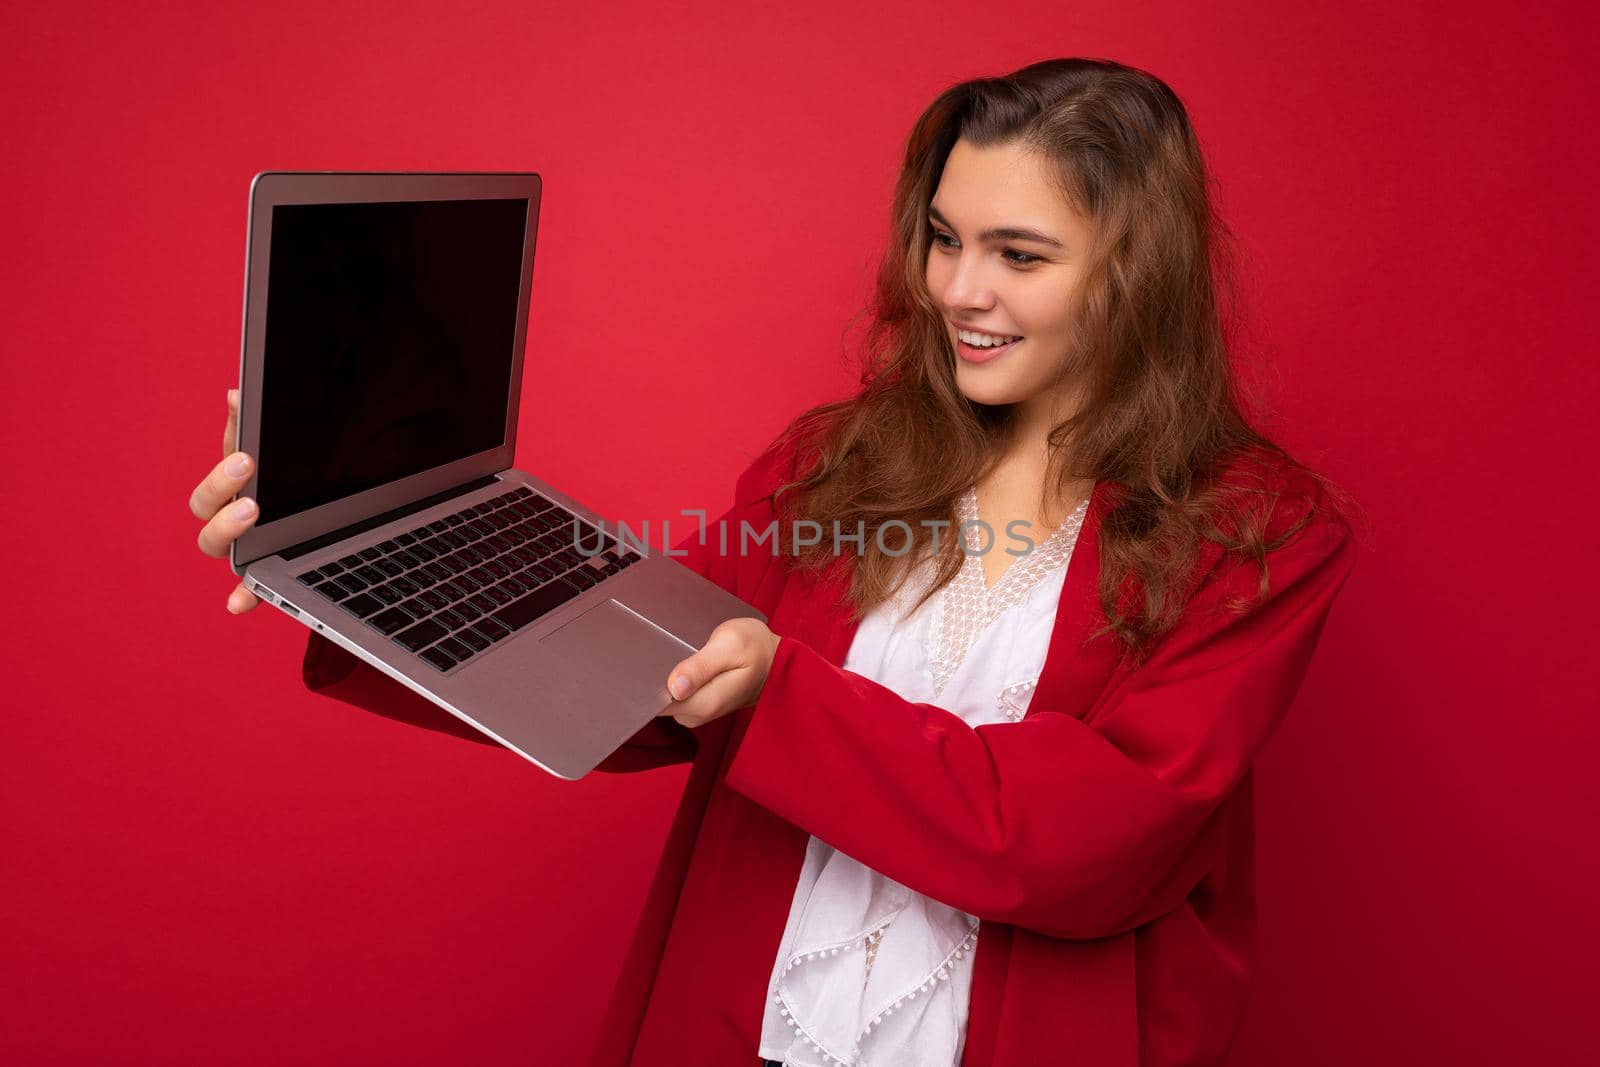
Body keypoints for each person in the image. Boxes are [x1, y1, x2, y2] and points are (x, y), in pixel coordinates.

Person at [190, 58, 1360, 1067]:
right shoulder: (845, 459)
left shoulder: (1258, 531)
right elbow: (640, 668)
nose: (958, 288)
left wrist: (778, 693)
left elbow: (1103, 833)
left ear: (1133, 272)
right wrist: (342, 566)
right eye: (944, 239)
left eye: (1020, 252)